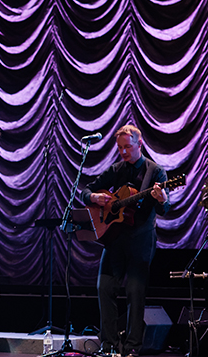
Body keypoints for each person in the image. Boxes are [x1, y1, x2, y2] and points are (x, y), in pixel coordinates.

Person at [81, 125, 170, 357]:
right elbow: (85, 191)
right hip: (115, 238)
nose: (123, 152)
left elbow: (164, 209)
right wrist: (94, 197)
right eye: (120, 148)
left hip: (141, 239)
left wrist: (161, 198)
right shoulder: (116, 169)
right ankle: (109, 345)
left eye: (127, 147)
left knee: (135, 291)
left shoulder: (155, 172)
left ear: (139, 145)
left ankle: (132, 347)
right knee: (104, 287)